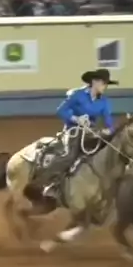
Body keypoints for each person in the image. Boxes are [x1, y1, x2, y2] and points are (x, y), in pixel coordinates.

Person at [36, 68, 119, 198]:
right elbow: (61, 110)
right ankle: (52, 184)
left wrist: (108, 130)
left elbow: (109, 122)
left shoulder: (104, 102)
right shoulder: (77, 95)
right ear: (94, 82)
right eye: (103, 83)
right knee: (68, 156)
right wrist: (76, 119)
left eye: (106, 84)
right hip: (73, 131)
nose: (105, 87)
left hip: (91, 132)